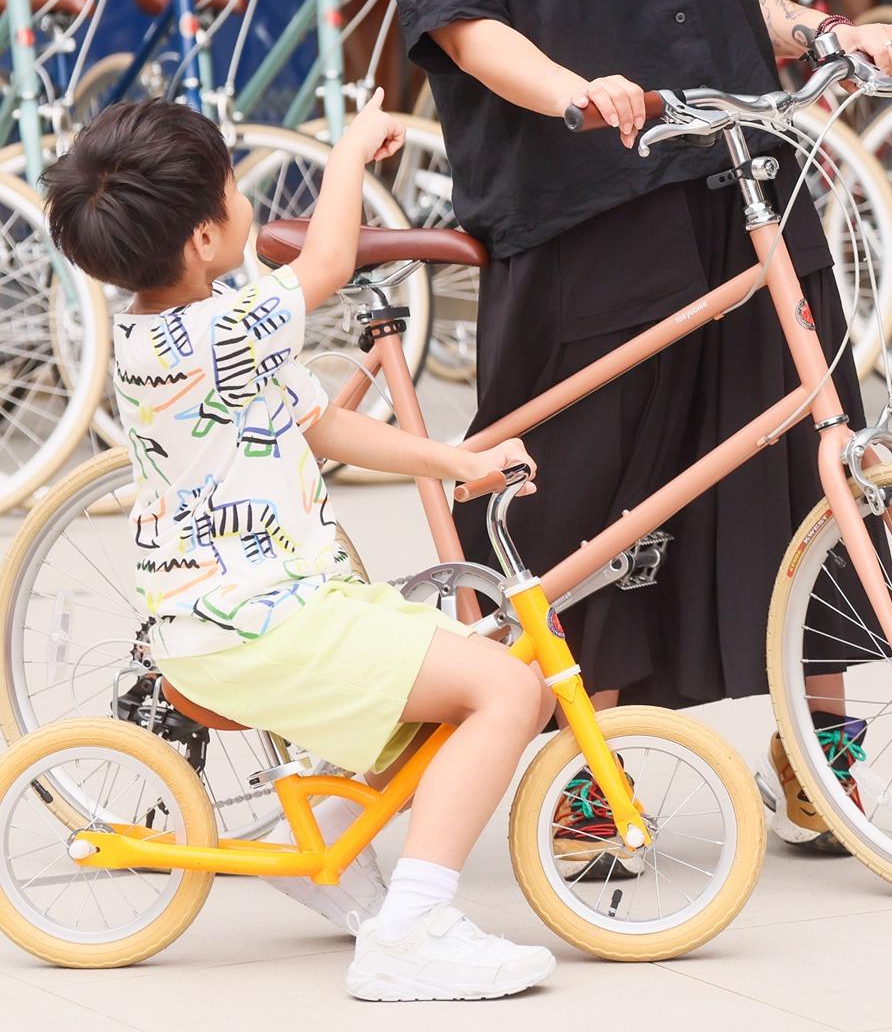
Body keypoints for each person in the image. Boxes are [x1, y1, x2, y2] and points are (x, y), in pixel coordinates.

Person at [378, 0, 892, 859]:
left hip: (742, 178)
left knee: (811, 458)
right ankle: (584, 764)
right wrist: (576, 94)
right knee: (591, 493)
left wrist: (823, 33)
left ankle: (819, 749)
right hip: (584, 206)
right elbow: (458, 25)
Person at [43, 96, 550, 1001]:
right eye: (236, 191)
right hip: (263, 625)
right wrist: (349, 151)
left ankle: (320, 848)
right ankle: (413, 930)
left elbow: (316, 425)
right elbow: (327, 261)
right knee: (508, 686)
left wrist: (454, 461)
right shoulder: (217, 330)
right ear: (203, 237)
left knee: (445, 689)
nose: (248, 205)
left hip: (253, 610)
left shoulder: (166, 327)